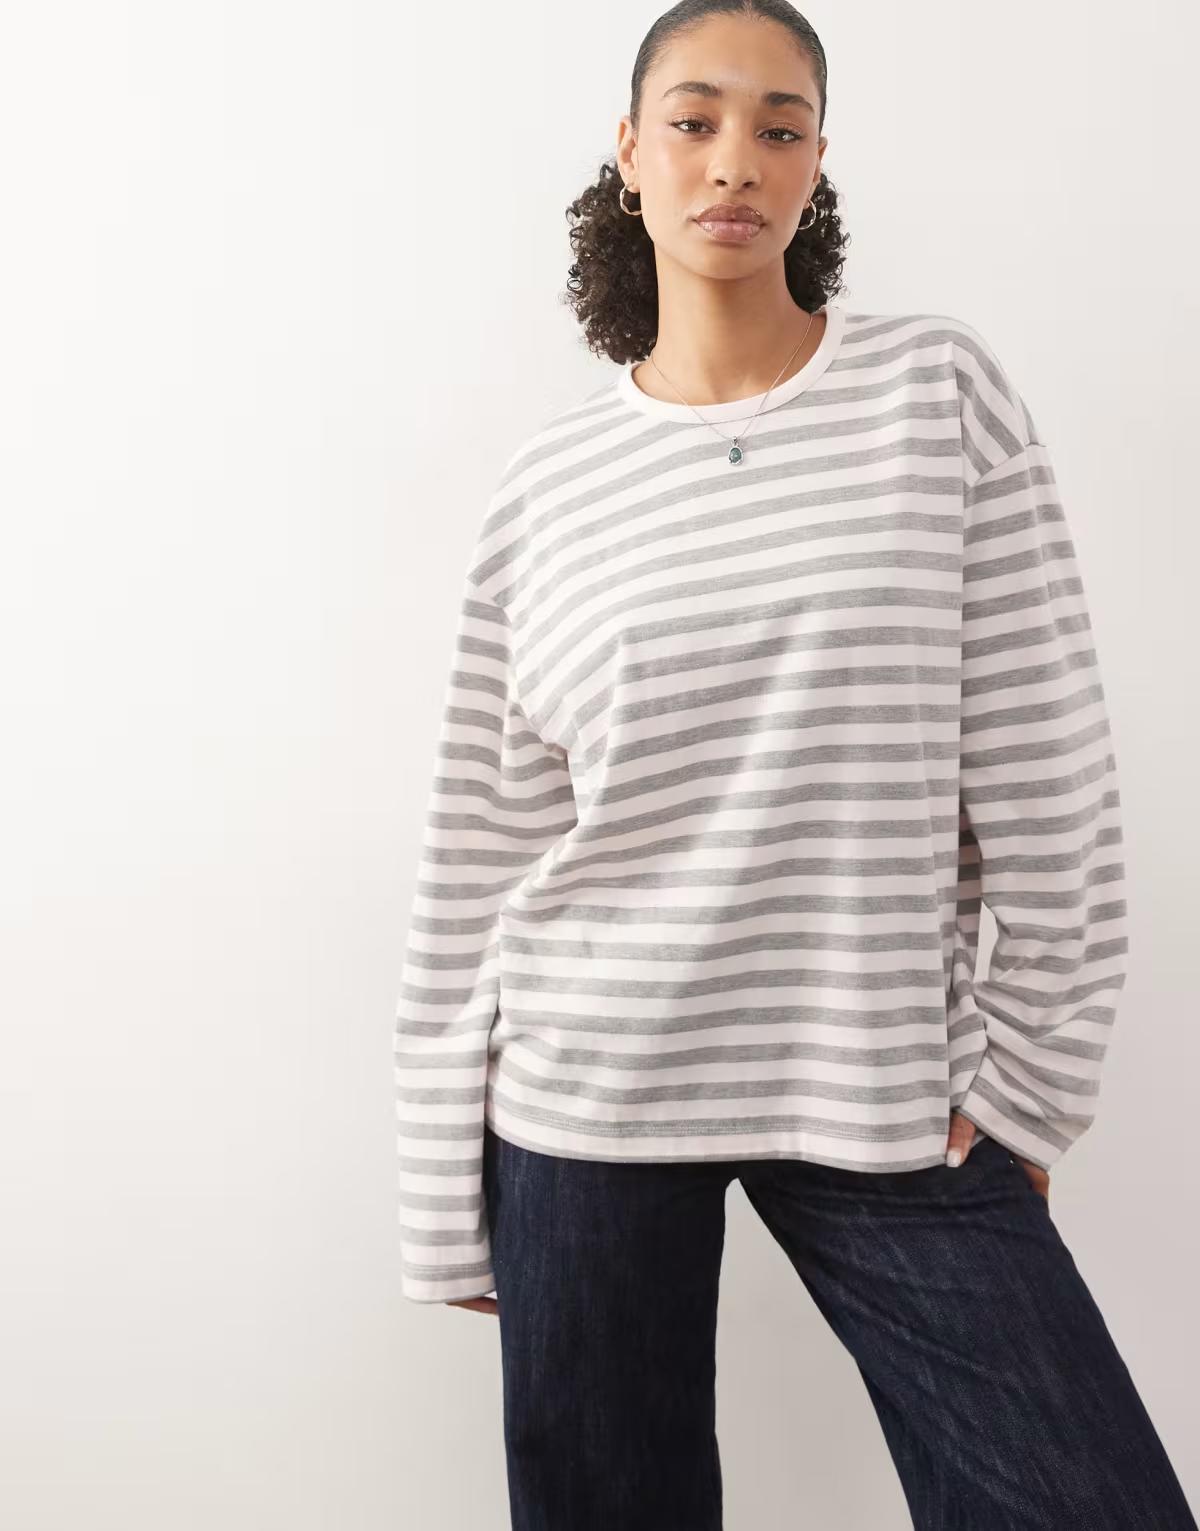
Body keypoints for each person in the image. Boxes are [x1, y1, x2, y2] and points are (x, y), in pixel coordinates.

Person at [392, 2, 1197, 1526]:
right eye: (693, 122)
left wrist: (1033, 1082)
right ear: (630, 153)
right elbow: (482, 845)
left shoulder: (932, 394)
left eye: (780, 127)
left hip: (879, 1079)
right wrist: (443, 1189)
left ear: (818, 163)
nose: (734, 162)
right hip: (587, 1097)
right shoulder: (552, 485)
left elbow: (1049, 770)